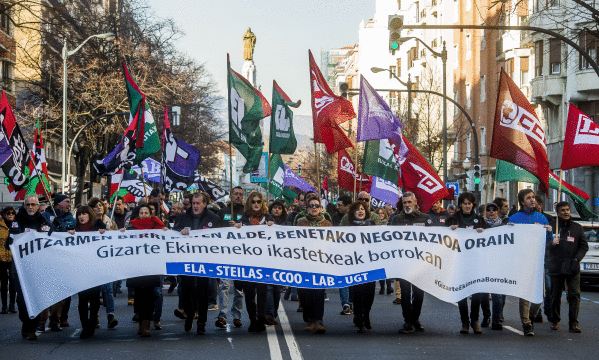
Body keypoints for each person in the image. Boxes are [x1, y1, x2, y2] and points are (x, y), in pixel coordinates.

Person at [173, 192, 221, 335]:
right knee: (186, 290)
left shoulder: (214, 218)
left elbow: (221, 236)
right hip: (186, 259)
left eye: (198, 203)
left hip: (204, 259)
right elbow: (173, 231)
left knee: (202, 291)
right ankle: (189, 314)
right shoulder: (182, 216)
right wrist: (179, 231)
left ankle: (202, 322)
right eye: (193, 203)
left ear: (204, 204)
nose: (195, 206)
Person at [508, 188, 553, 336]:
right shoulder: (515, 218)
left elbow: (548, 242)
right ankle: (526, 323)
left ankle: (532, 317)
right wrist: (509, 230)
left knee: (539, 295)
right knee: (525, 294)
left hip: (539, 262)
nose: (532, 200)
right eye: (528, 198)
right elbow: (508, 241)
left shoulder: (542, 218)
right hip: (522, 261)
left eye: (533, 197)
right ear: (522, 201)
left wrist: (549, 231)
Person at [8, 195, 50, 339]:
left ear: (38, 206)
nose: (30, 207)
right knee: (21, 300)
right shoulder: (17, 221)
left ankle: (31, 328)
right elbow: (10, 242)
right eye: (28, 205)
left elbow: (53, 239)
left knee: (36, 298)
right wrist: (9, 241)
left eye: (33, 204)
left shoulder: (43, 222)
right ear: (24, 206)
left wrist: (61, 230)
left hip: (38, 267)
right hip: (20, 268)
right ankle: (25, 323)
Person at [389, 192, 430, 333]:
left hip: (420, 263)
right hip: (403, 263)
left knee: (419, 294)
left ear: (415, 202)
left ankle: (415, 318)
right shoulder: (396, 219)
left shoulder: (425, 218)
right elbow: (389, 240)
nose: (407, 205)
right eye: (404, 202)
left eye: (409, 202)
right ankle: (407, 321)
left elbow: (435, 238)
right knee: (405, 294)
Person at [125, 204, 168, 337]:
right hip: (136, 265)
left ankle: (146, 324)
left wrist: (164, 230)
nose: (143, 215)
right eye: (141, 212)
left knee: (149, 295)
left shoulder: (157, 227)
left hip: (151, 265)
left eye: (146, 212)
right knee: (138, 295)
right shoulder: (131, 227)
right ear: (138, 214)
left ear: (151, 215)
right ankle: (141, 322)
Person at [446, 192, 486, 334]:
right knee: (461, 293)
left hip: (476, 261)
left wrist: (483, 232)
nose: (467, 206)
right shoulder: (453, 219)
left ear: (473, 205)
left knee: (476, 293)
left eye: (469, 203)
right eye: (465, 203)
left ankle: (474, 320)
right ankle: (464, 322)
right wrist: (450, 231)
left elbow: (490, 237)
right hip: (458, 261)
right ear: (460, 205)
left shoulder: (480, 219)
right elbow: (444, 236)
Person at [235, 191, 274, 332]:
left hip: (264, 261)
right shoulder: (244, 219)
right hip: (248, 261)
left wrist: (273, 227)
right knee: (249, 292)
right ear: (249, 203)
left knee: (262, 291)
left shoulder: (269, 218)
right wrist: (237, 228)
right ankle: (252, 319)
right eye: (253, 202)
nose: (256, 204)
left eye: (258, 201)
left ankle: (261, 318)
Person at [547, 201, 588, 333]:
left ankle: (573, 323)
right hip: (555, 265)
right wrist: (551, 244)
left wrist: (577, 258)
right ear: (558, 212)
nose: (566, 212)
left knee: (574, 295)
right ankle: (554, 320)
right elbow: (543, 246)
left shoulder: (577, 228)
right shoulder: (552, 227)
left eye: (568, 210)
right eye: (563, 210)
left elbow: (584, 246)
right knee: (555, 295)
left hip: (572, 266)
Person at [69, 206, 107, 339]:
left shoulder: (98, 228)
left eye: (84, 214)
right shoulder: (74, 229)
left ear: (89, 215)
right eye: (79, 214)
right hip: (80, 268)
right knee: (83, 299)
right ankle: (85, 326)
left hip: (95, 268)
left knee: (95, 298)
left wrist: (104, 231)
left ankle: (92, 323)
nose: (81, 216)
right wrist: (69, 233)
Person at [41, 194, 76, 332]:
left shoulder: (70, 218)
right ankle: (42, 321)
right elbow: (40, 233)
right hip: (47, 259)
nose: (69, 204)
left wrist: (66, 231)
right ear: (58, 204)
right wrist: (53, 228)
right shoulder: (45, 216)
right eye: (66, 201)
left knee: (62, 293)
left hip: (63, 260)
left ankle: (55, 319)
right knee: (46, 291)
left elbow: (74, 232)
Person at [296, 195, 330, 334]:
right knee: (307, 292)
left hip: (321, 262)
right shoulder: (300, 222)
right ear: (307, 208)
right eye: (311, 206)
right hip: (305, 262)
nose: (314, 208)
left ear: (321, 208)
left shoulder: (327, 224)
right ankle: (309, 319)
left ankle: (319, 320)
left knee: (319, 292)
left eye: (317, 205)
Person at [214, 186, 245, 329]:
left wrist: (241, 227)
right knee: (225, 285)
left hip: (241, 254)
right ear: (231, 196)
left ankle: (237, 315)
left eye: (240, 194)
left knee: (239, 288)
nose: (237, 196)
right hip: (225, 252)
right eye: (235, 194)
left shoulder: (245, 212)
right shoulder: (222, 212)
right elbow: (215, 230)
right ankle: (222, 315)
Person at [346, 201, 376, 333]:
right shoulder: (348, 227)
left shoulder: (372, 225)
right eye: (357, 209)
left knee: (369, 293)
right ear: (353, 213)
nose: (360, 211)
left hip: (371, 264)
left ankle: (367, 315)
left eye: (362, 209)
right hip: (355, 265)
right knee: (358, 293)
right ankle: (359, 316)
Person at [483, 202, 508, 331]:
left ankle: (497, 318)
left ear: (497, 212)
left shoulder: (504, 226)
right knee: (483, 293)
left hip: (500, 262)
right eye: (489, 210)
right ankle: (487, 315)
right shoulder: (481, 225)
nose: (491, 212)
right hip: (484, 262)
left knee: (499, 294)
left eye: (494, 210)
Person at [265, 200, 288, 324]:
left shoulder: (286, 223)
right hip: (267, 258)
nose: (277, 210)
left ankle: (273, 313)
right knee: (268, 286)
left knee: (276, 288)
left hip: (280, 259)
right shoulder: (265, 222)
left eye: (279, 208)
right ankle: (269, 314)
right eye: (275, 207)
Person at [0, 207, 17, 314]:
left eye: (12, 213)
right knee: (3, 282)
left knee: (13, 280)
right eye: (8, 213)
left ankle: (12, 305)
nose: (10, 214)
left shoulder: (17, 225)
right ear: (3, 214)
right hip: (1, 257)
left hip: (13, 257)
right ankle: (4, 306)